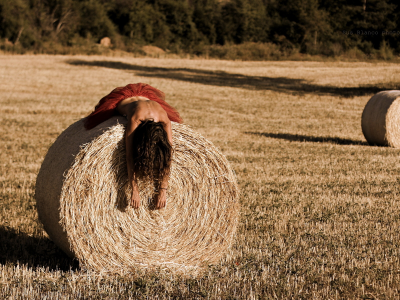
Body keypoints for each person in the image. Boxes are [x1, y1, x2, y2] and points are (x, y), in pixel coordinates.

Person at [84, 83, 183, 209]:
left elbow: (168, 156)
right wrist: (134, 189)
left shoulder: (165, 120)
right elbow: (130, 155)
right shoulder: (136, 118)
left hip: (145, 98)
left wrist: (163, 190)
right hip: (124, 100)